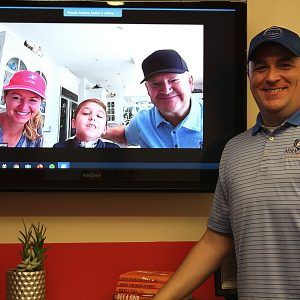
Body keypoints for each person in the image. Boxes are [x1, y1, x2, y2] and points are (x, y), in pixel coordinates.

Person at [153, 26, 300, 299]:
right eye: (260, 68)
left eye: (285, 65)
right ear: (249, 76)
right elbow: (215, 240)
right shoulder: (234, 150)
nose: (271, 77)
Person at [105, 49, 203, 148]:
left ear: (190, 82)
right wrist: (94, 127)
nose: (166, 90)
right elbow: (125, 136)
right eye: (155, 84)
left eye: (174, 80)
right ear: (148, 89)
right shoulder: (142, 121)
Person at [0, 70, 46, 147]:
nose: (23, 107)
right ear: (5, 97)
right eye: (16, 98)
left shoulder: (36, 132)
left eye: (32, 100)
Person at [53, 98, 120, 148]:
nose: (92, 117)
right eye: (86, 113)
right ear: (74, 123)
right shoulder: (58, 147)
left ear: (104, 129)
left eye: (99, 116)